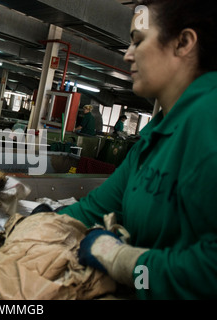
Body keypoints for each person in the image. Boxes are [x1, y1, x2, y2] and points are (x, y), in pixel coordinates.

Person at [58, 0, 217, 299]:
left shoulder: (210, 116)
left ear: (183, 43)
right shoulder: (154, 134)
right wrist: (33, 223)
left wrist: (121, 260)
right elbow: (94, 209)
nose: (128, 55)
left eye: (139, 41)